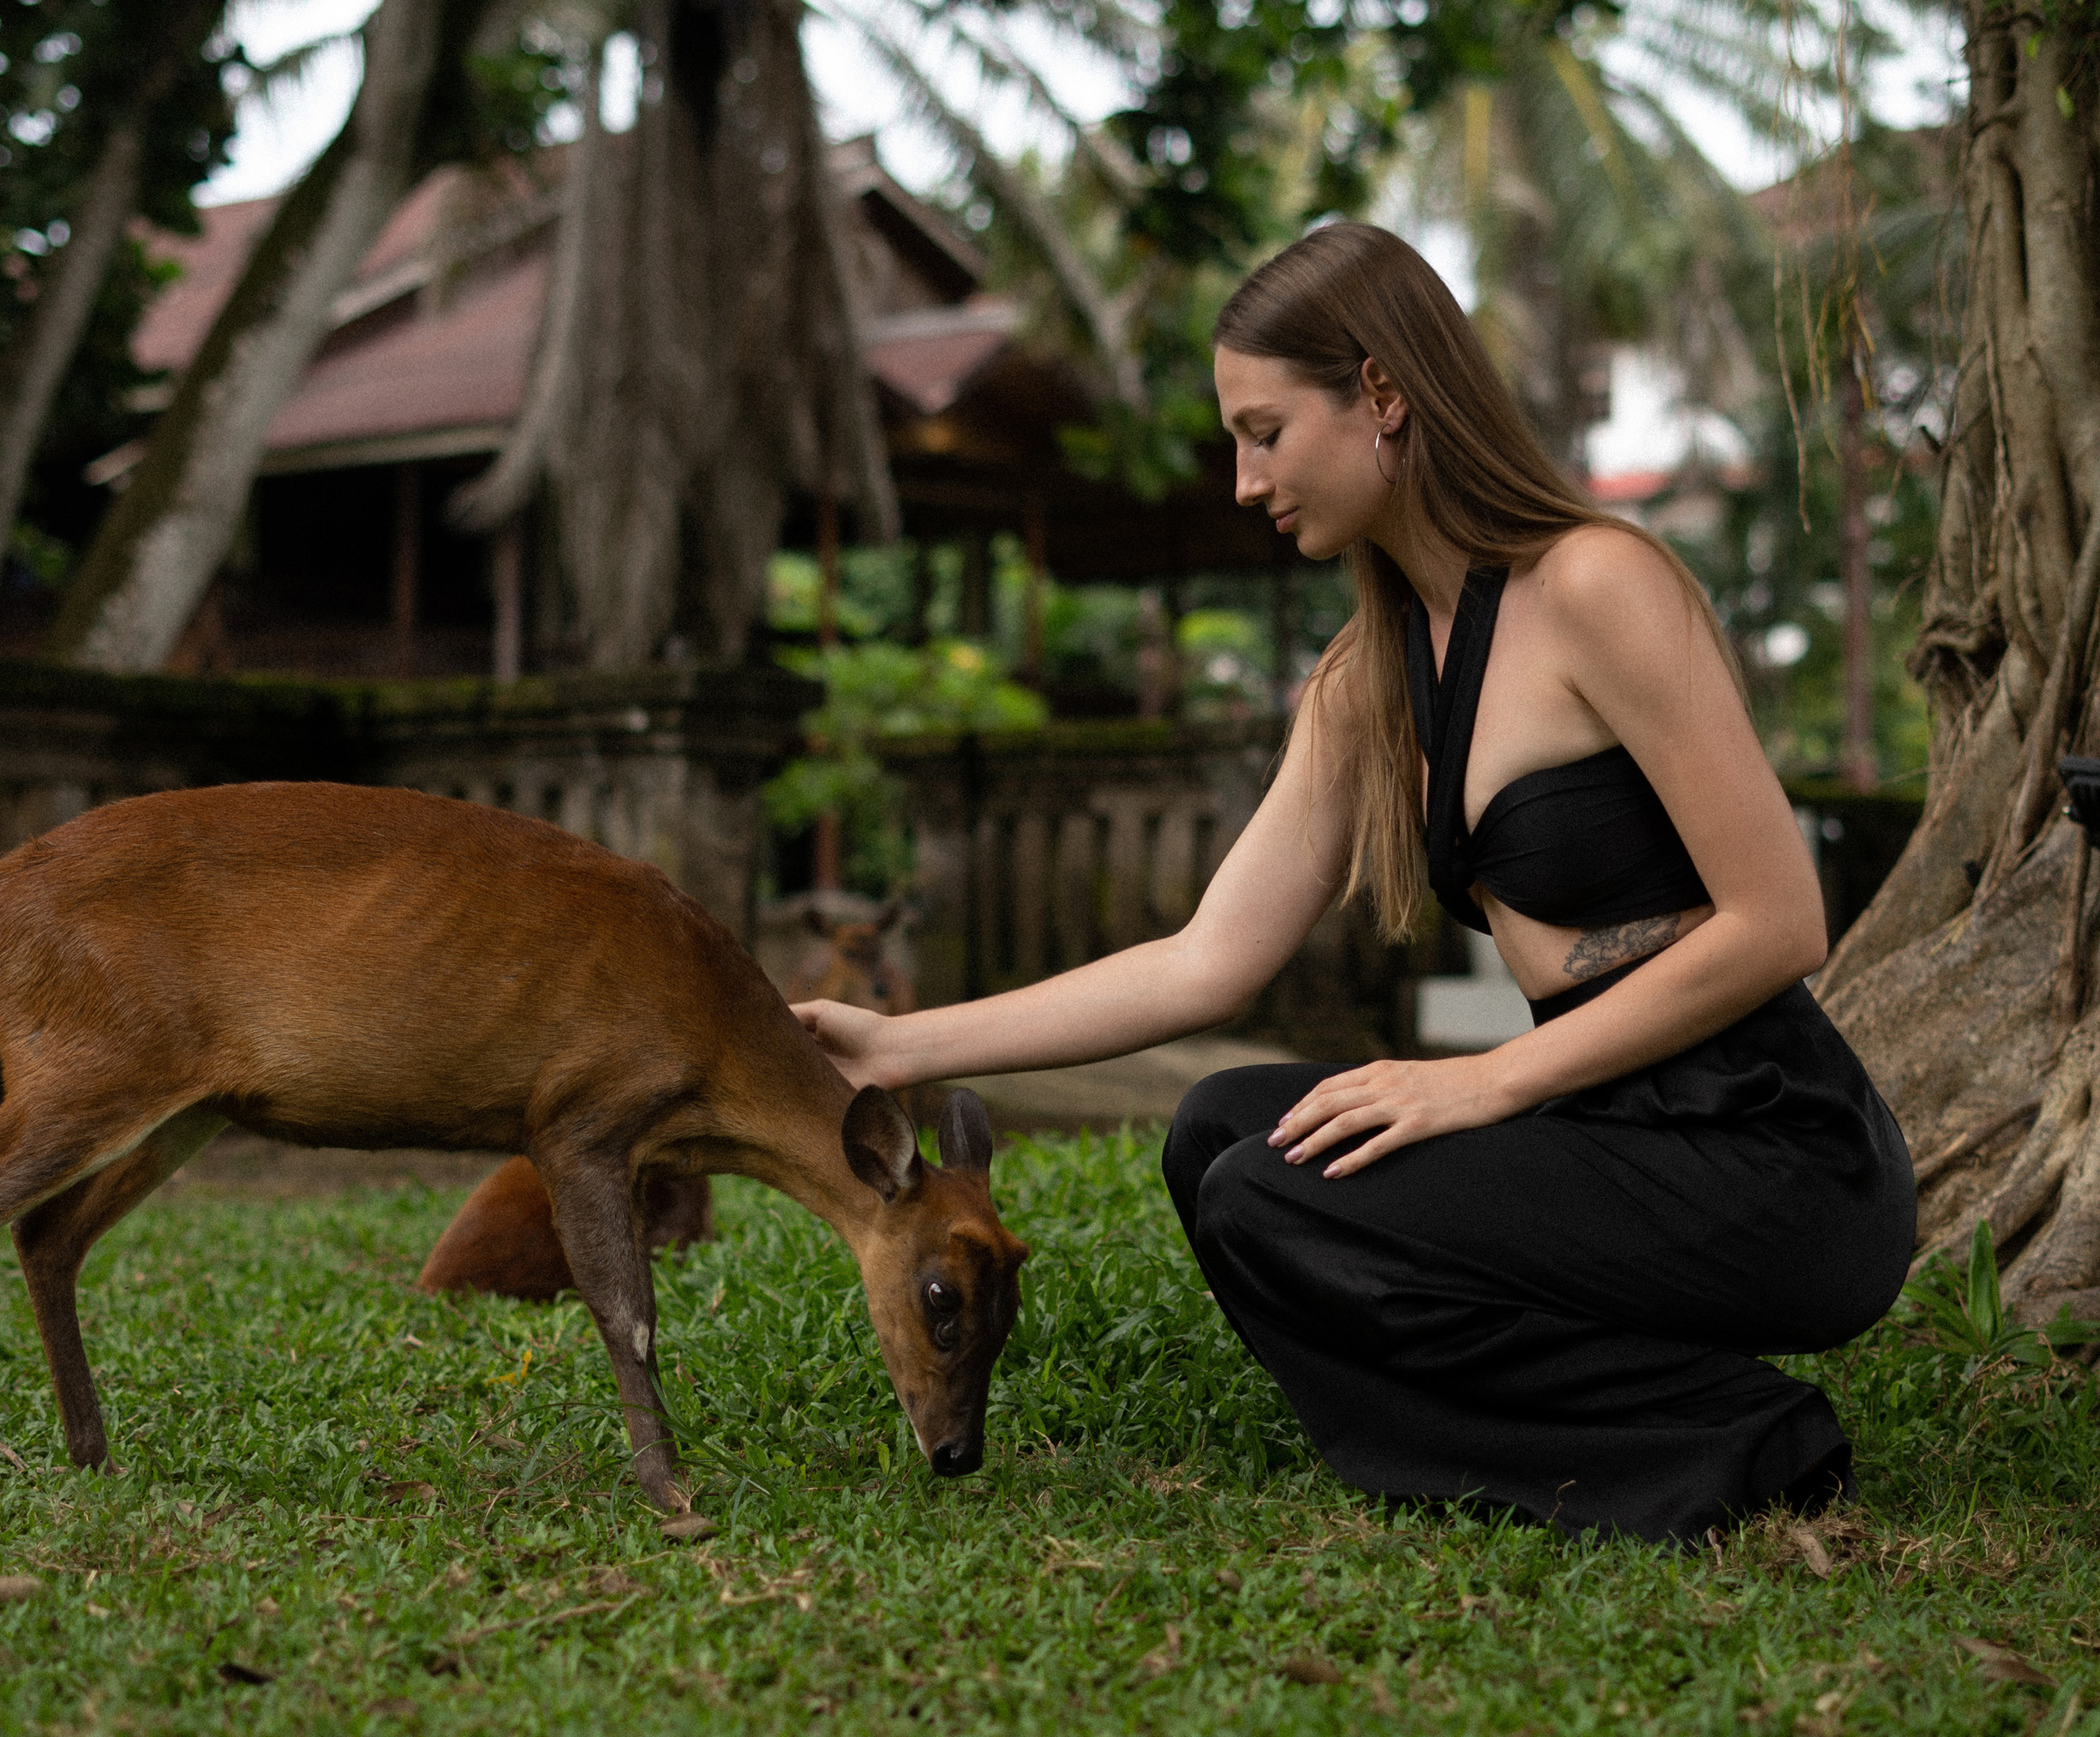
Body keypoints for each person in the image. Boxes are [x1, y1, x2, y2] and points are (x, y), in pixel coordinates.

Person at [794, 222, 1915, 1547]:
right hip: (1605, 1130)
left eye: (1264, 431)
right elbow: (1203, 961)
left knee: (1274, 1190)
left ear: (1382, 395)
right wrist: (896, 1042)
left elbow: (1782, 920)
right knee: (1221, 1134)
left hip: (1768, 1150)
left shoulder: (1597, 586)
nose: (1241, 480)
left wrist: (1483, 1081)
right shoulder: (1366, 675)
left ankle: (1736, 1443)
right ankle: (1582, 1435)